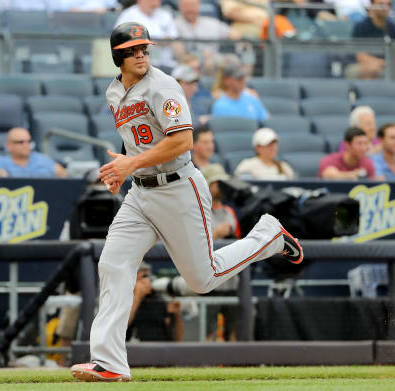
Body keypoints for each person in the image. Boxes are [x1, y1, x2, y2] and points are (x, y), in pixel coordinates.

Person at [70, 22, 303, 383]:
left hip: (179, 187)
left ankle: (269, 237)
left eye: (144, 48)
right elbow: (135, 139)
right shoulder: (114, 91)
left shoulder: (163, 86)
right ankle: (110, 361)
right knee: (113, 264)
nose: (141, 54)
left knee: (202, 278)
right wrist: (123, 167)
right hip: (140, 193)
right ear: (118, 55)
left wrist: (131, 163)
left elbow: (182, 141)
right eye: (133, 50)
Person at [201, 163, 241, 341]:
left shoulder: (229, 211)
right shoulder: (199, 211)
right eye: (218, 183)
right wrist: (216, 235)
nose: (222, 188)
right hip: (210, 280)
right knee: (207, 329)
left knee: (233, 329)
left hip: (231, 280)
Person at [126, 261, 184, 342]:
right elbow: (120, 328)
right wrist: (137, 296)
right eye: (144, 276)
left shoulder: (159, 300)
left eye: (149, 276)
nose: (147, 280)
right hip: (133, 351)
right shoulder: (124, 299)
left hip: (160, 351)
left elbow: (178, 339)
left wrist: (177, 315)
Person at [115, 0, 180, 68]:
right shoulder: (128, 15)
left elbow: (175, 39)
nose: (156, 3)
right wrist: (158, 42)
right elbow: (119, 39)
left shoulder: (165, 15)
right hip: (138, 64)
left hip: (167, 63)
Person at [0, 127, 67, 178]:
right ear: (9, 145)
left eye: (28, 141)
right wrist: (0, 174)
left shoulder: (42, 159)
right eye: (21, 142)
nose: (26, 145)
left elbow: (64, 175)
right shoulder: (2, 162)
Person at [349, 0, 395, 79]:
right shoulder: (361, 27)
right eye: (381, 4)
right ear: (372, 5)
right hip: (364, 65)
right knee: (371, 69)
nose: (385, 7)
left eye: (388, 4)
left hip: (388, 66)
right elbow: (360, 55)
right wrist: (380, 63)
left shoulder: (392, 27)